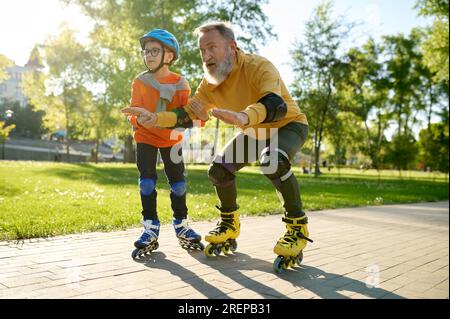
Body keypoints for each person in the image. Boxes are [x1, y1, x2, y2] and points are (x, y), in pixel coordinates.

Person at [122, 22, 312, 271]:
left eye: (212, 47)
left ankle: (296, 228)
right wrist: (155, 118)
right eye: (202, 50)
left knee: (272, 160)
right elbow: (186, 114)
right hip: (254, 132)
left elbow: (275, 103)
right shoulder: (209, 84)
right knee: (218, 171)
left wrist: (244, 117)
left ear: (231, 47)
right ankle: (229, 224)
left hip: (287, 125)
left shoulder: (259, 67)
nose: (206, 56)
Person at [126, 29, 204, 258]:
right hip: (146, 138)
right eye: (145, 51)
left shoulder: (181, 83)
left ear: (168, 56)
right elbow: (133, 110)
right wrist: (136, 118)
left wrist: (196, 118)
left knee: (178, 184)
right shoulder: (140, 81)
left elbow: (185, 116)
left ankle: (181, 224)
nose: (148, 56)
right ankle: (150, 227)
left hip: (171, 139)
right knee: (146, 183)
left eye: (154, 51)